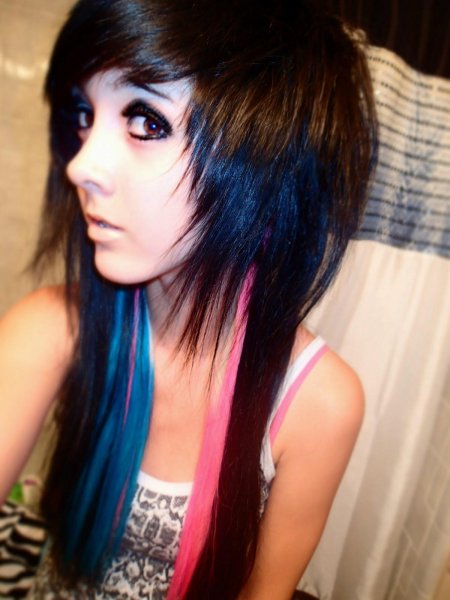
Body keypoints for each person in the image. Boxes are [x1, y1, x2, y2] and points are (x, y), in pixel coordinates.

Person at [0, 0, 377, 598]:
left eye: (146, 121)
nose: (81, 165)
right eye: (84, 115)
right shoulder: (54, 329)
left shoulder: (318, 404)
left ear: (266, 159)